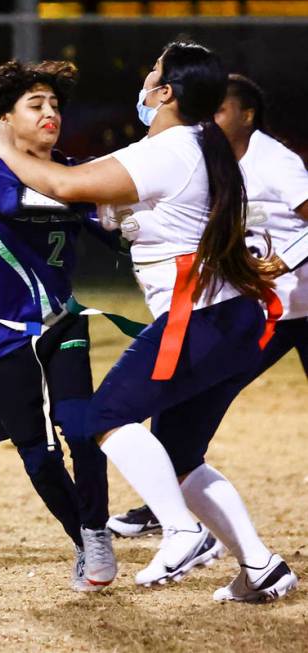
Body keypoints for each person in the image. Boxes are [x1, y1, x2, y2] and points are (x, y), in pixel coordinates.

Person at [0, 41, 298, 603]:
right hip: (231, 320)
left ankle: (181, 531)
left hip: (197, 318)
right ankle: (261, 566)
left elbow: (61, 186)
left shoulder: (170, 150)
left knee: (99, 420)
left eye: (152, 76)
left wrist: (4, 145)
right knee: (179, 455)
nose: (144, 85)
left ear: (167, 92)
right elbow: (91, 199)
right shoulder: (193, 146)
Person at [107, 74, 308, 540]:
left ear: (248, 115)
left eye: (221, 111)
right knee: (189, 388)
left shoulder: (272, 160)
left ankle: (172, 491)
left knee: (190, 386)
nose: (211, 120)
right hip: (268, 309)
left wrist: (288, 258)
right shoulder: (211, 159)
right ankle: (168, 496)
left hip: (295, 308)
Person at [0, 60, 119, 592]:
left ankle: (97, 536)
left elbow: (111, 232)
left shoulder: (70, 169)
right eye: (36, 106)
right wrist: (7, 152)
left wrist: (126, 222)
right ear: (3, 120)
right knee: (39, 454)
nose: (51, 114)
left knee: (81, 429)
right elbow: (15, 203)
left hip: (60, 321)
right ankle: (81, 535)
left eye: (55, 105)